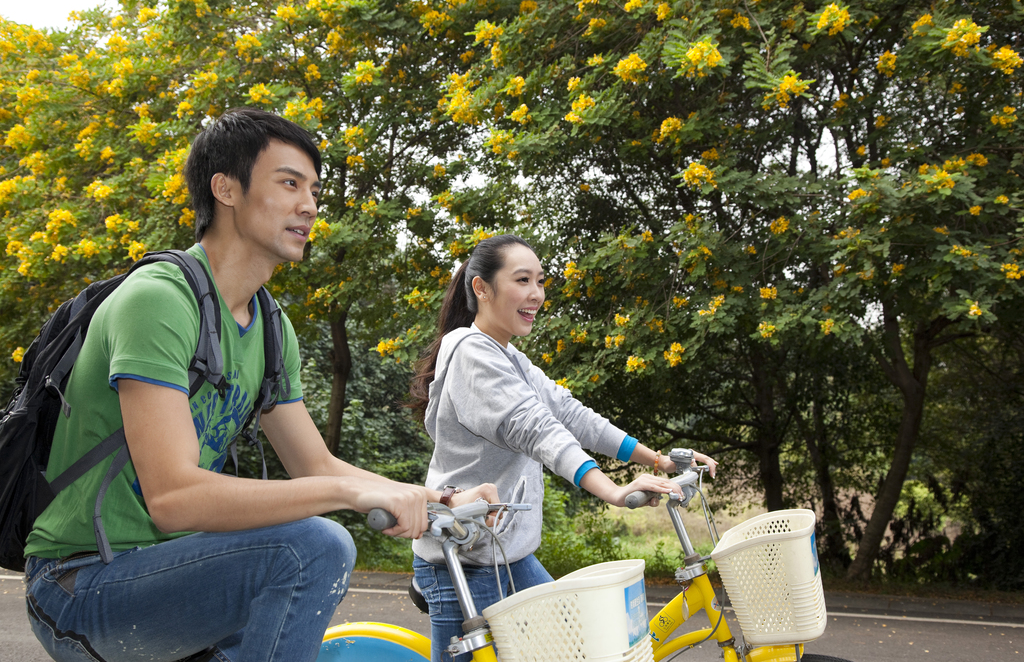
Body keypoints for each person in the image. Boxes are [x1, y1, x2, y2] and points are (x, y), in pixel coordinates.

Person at [23, 108, 496, 662]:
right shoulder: (159, 300)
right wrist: (347, 497)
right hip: (81, 585)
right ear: (225, 188)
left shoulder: (271, 328)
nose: (310, 206)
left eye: (314, 190)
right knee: (311, 548)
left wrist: (434, 497)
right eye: (289, 183)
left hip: (179, 572)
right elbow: (173, 498)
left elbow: (316, 466)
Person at [407, 233, 719, 662]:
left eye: (540, 281)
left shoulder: (509, 356)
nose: (536, 294)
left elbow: (571, 416)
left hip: (508, 556)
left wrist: (658, 459)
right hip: (463, 558)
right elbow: (539, 430)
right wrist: (612, 491)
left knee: (577, 652)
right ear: (481, 288)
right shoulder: (471, 354)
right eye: (522, 280)